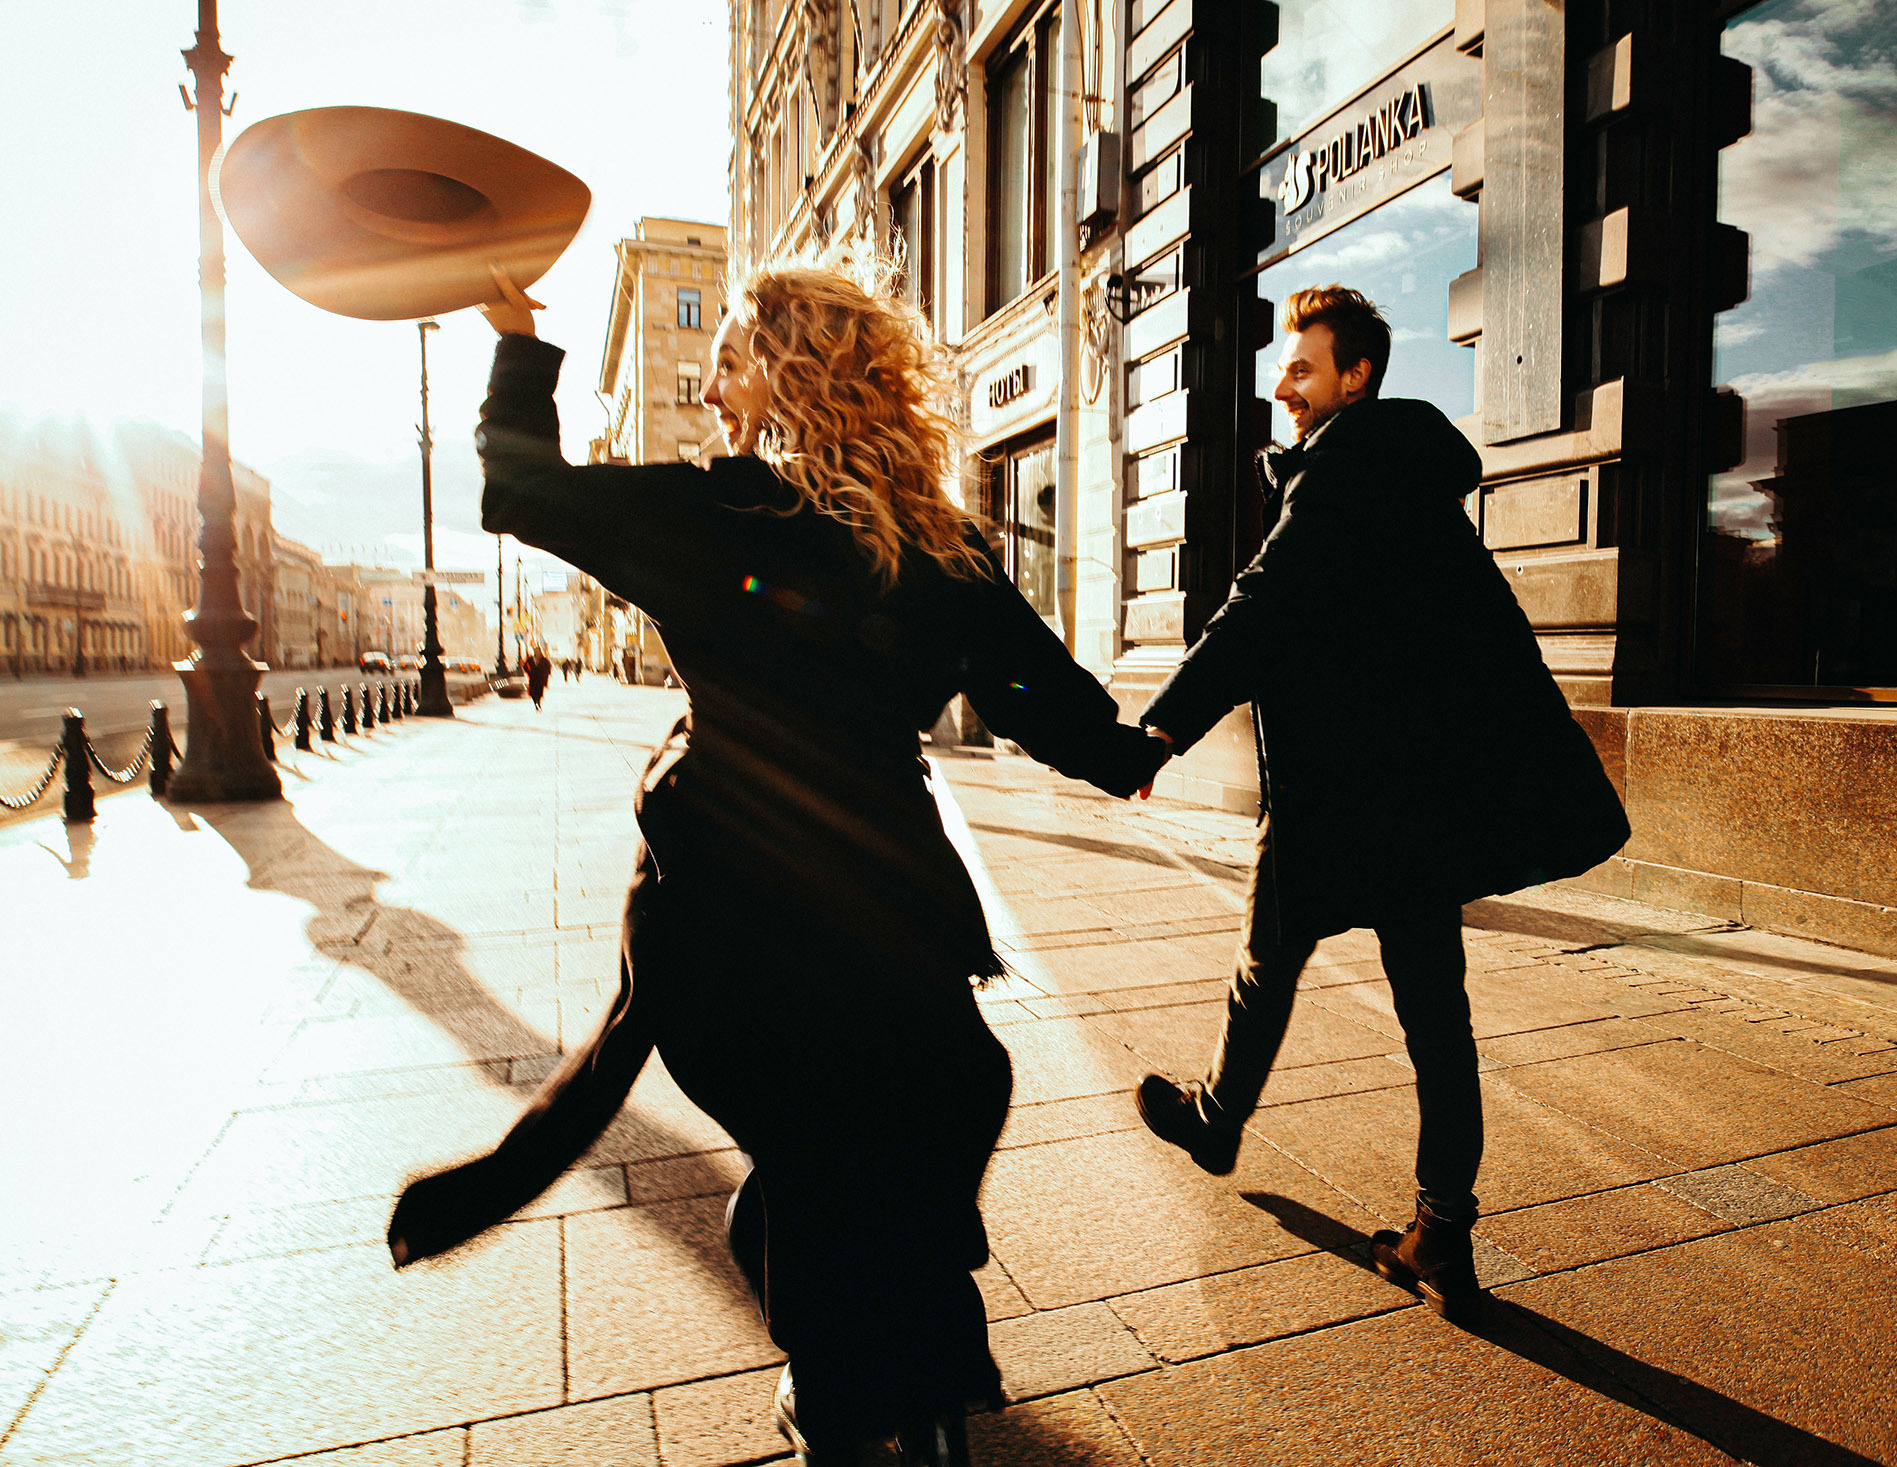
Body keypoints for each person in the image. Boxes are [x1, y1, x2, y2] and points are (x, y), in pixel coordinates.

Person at [385, 255, 1168, 1467]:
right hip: (889, 912)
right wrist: (1140, 749)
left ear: (789, 380)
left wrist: (513, 337)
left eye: (733, 356)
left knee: (810, 1164)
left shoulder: (720, 518)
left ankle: (841, 1402)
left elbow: (520, 494)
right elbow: (1052, 706)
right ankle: (917, 1392)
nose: (708, 384)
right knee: (886, 1138)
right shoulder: (938, 545)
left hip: (729, 925)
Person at [1131, 285, 1629, 1320]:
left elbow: (1257, 608)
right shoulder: (1410, 476)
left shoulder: (1346, 468)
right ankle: (1441, 1232)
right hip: (1414, 799)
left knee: (1267, 961)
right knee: (1433, 1014)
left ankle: (1221, 1121)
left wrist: (1162, 728)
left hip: (1335, 790)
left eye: (1302, 368)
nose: (1284, 385)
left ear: (1354, 377)